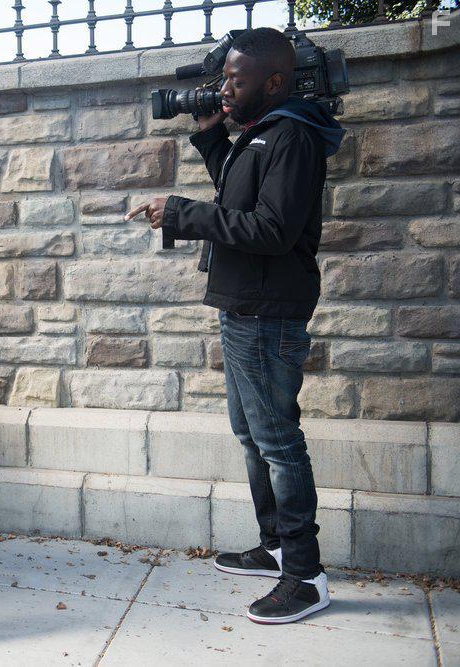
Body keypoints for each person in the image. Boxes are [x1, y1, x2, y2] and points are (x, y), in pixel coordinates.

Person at [128, 27, 345, 624]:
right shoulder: (261, 134)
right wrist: (209, 136)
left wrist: (180, 213)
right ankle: (275, 546)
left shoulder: (293, 136)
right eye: (223, 76)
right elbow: (237, 197)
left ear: (274, 82)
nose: (224, 86)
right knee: (252, 438)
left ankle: (305, 575)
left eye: (236, 79)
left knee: (278, 443)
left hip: (268, 314)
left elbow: (272, 229)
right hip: (243, 308)